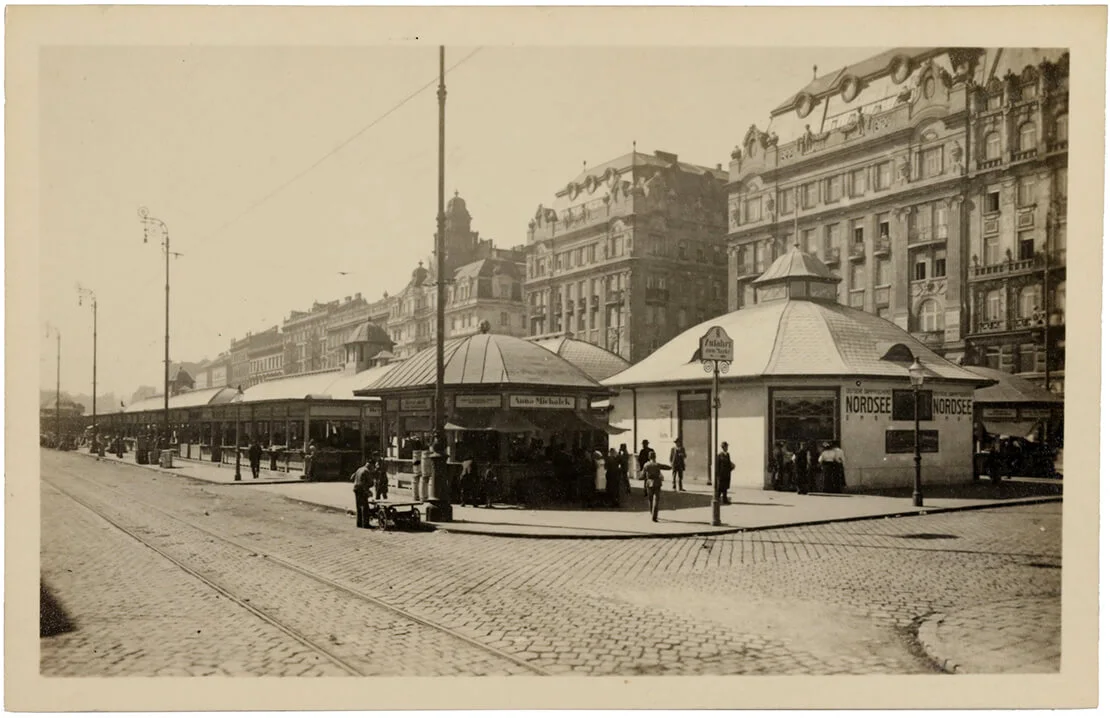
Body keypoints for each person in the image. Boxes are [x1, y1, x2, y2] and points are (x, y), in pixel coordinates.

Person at [639, 450, 671, 522]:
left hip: (649, 483)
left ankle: (651, 512)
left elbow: (642, 476)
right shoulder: (657, 465)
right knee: (656, 500)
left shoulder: (646, 465)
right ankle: (654, 516)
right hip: (657, 483)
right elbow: (667, 467)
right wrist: (671, 467)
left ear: (649, 457)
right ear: (655, 457)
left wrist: (642, 477)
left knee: (650, 499)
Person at [351, 459, 374, 529]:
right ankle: (365, 524)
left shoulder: (359, 469)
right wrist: (368, 491)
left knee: (358, 507)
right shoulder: (366, 471)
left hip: (356, 489)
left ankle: (359, 523)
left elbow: (352, 477)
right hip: (362, 490)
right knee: (365, 507)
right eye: (372, 466)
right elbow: (370, 483)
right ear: (370, 465)